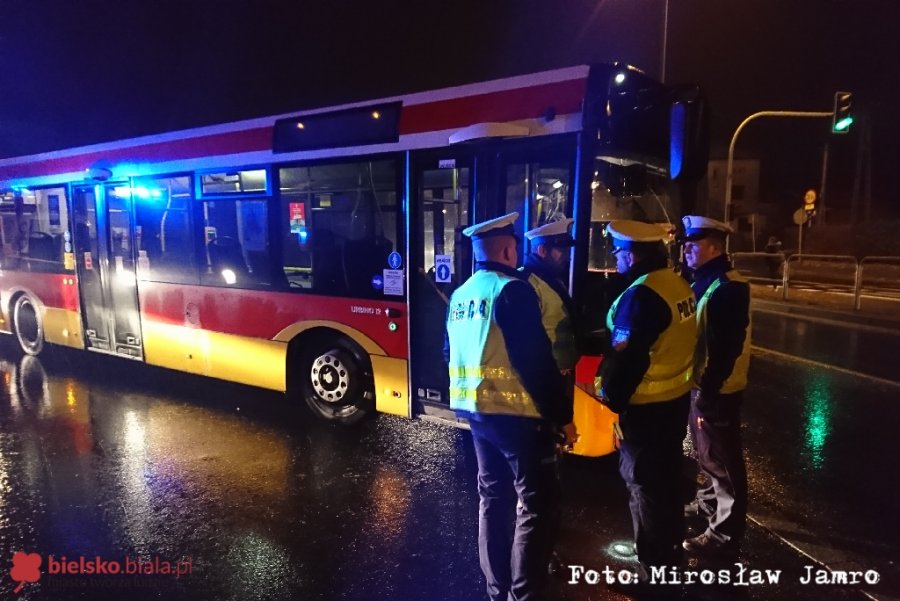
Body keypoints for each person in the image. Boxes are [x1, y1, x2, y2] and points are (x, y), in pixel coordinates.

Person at [445, 212, 578, 601]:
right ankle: (525, 593)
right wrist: (563, 418)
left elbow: (447, 351)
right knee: (535, 505)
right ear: (507, 249)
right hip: (518, 418)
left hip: (476, 414)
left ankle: (496, 586)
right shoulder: (512, 290)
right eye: (514, 246)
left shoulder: (462, 293)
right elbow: (534, 362)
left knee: (492, 498)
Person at [592, 220, 697, 589]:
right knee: (667, 486)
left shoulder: (641, 296)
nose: (616, 259)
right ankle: (671, 560)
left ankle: (654, 574)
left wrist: (610, 400)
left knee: (645, 488)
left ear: (633, 254)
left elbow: (627, 360)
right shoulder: (676, 283)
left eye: (619, 253)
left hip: (647, 410)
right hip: (674, 404)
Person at [681, 215, 751, 559]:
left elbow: (726, 348)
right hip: (703, 384)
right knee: (706, 453)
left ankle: (724, 533)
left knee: (723, 462)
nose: (686, 250)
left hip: (718, 389)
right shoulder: (704, 281)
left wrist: (709, 388)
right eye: (685, 244)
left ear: (714, 248)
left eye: (693, 245)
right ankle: (708, 504)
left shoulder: (727, 287)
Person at [521, 218, 580, 576]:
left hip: (553, 392)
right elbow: (532, 354)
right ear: (543, 250)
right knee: (537, 492)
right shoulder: (528, 285)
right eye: (560, 250)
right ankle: (533, 562)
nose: (565, 256)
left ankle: (541, 551)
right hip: (539, 401)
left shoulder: (548, 281)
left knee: (548, 485)